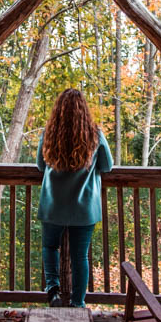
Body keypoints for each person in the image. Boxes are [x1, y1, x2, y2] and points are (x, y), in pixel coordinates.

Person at [36, 88, 113, 308]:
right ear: (84, 110)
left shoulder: (49, 133)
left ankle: (53, 291)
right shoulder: (94, 134)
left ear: (58, 110)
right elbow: (107, 166)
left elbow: (40, 166)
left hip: (53, 204)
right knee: (80, 257)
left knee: (50, 247)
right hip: (84, 207)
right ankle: (78, 303)